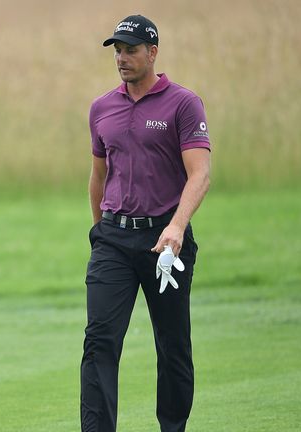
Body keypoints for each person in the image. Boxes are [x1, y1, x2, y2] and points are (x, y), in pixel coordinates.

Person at [81, 15, 212, 432]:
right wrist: (100, 230)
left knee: (172, 345)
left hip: (165, 242)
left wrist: (175, 228)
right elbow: (99, 175)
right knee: (100, 340)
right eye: (117, 50)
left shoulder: (183, 103)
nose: (121, 57)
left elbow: (200, 174)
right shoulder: (102, 108)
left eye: (131, 49)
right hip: (114, 242)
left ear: (152, 52)